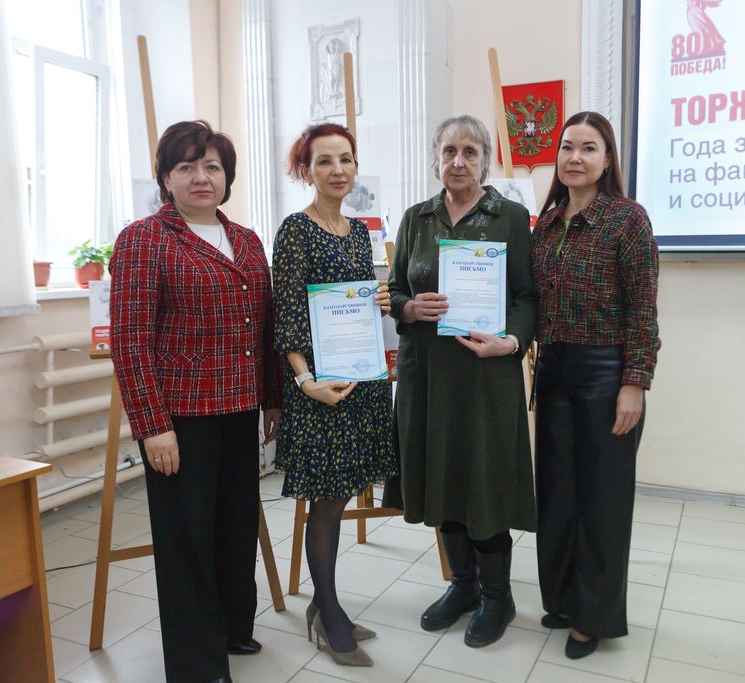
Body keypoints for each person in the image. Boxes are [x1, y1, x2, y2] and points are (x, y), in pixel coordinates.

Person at [110, 120, 283, 683]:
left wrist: (273, 398)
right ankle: (196, 663)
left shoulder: (247, 240)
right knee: (186, 541)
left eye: (212, 166)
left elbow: (265, 327)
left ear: (227, 177)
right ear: (166, 178)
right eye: (186, 166)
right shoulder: (144, 239)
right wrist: (152, 425)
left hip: (240, 407)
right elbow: (131, 342)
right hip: (179, 418)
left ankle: (233, 627)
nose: (201, 177)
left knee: (235, 525)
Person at [388, 114, 538, 648]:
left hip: (486, 375)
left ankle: (498, 597)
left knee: (485, 481)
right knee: (443, 478)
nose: (458, 161)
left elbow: (528, 297)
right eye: (449, 150)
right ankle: (463, 586)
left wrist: (511, 341)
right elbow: (395, 290)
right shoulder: (416, 219)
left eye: (470, 152)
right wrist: (409, 309)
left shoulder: (510, 217)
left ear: (485, 161)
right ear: (436, 158)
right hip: (427, 376)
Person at [531, 111, 660, 660]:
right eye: (567, 147)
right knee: (557, 495)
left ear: (607, 160)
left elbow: (644, 308)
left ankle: (593, 617)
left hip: (606, 375)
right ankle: (563, 600)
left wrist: (635, 383)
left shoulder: (627, 219)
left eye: (588, 148)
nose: (575, 158)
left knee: (602, 501)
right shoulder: (547, 223)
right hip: (553, 371)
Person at [272, 123, 397, 667]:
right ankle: (328, 611)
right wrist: (305, 382)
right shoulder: (295, 230)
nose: (338, 170)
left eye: (346, 159)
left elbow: (350, 305)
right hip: (320, 389)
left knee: (342, 493)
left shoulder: (357, 230)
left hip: (359, 383)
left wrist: (379, 301)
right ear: (307, 170)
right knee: (325, 504)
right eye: (324, 161)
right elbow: (287, 314)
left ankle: (325, 606)